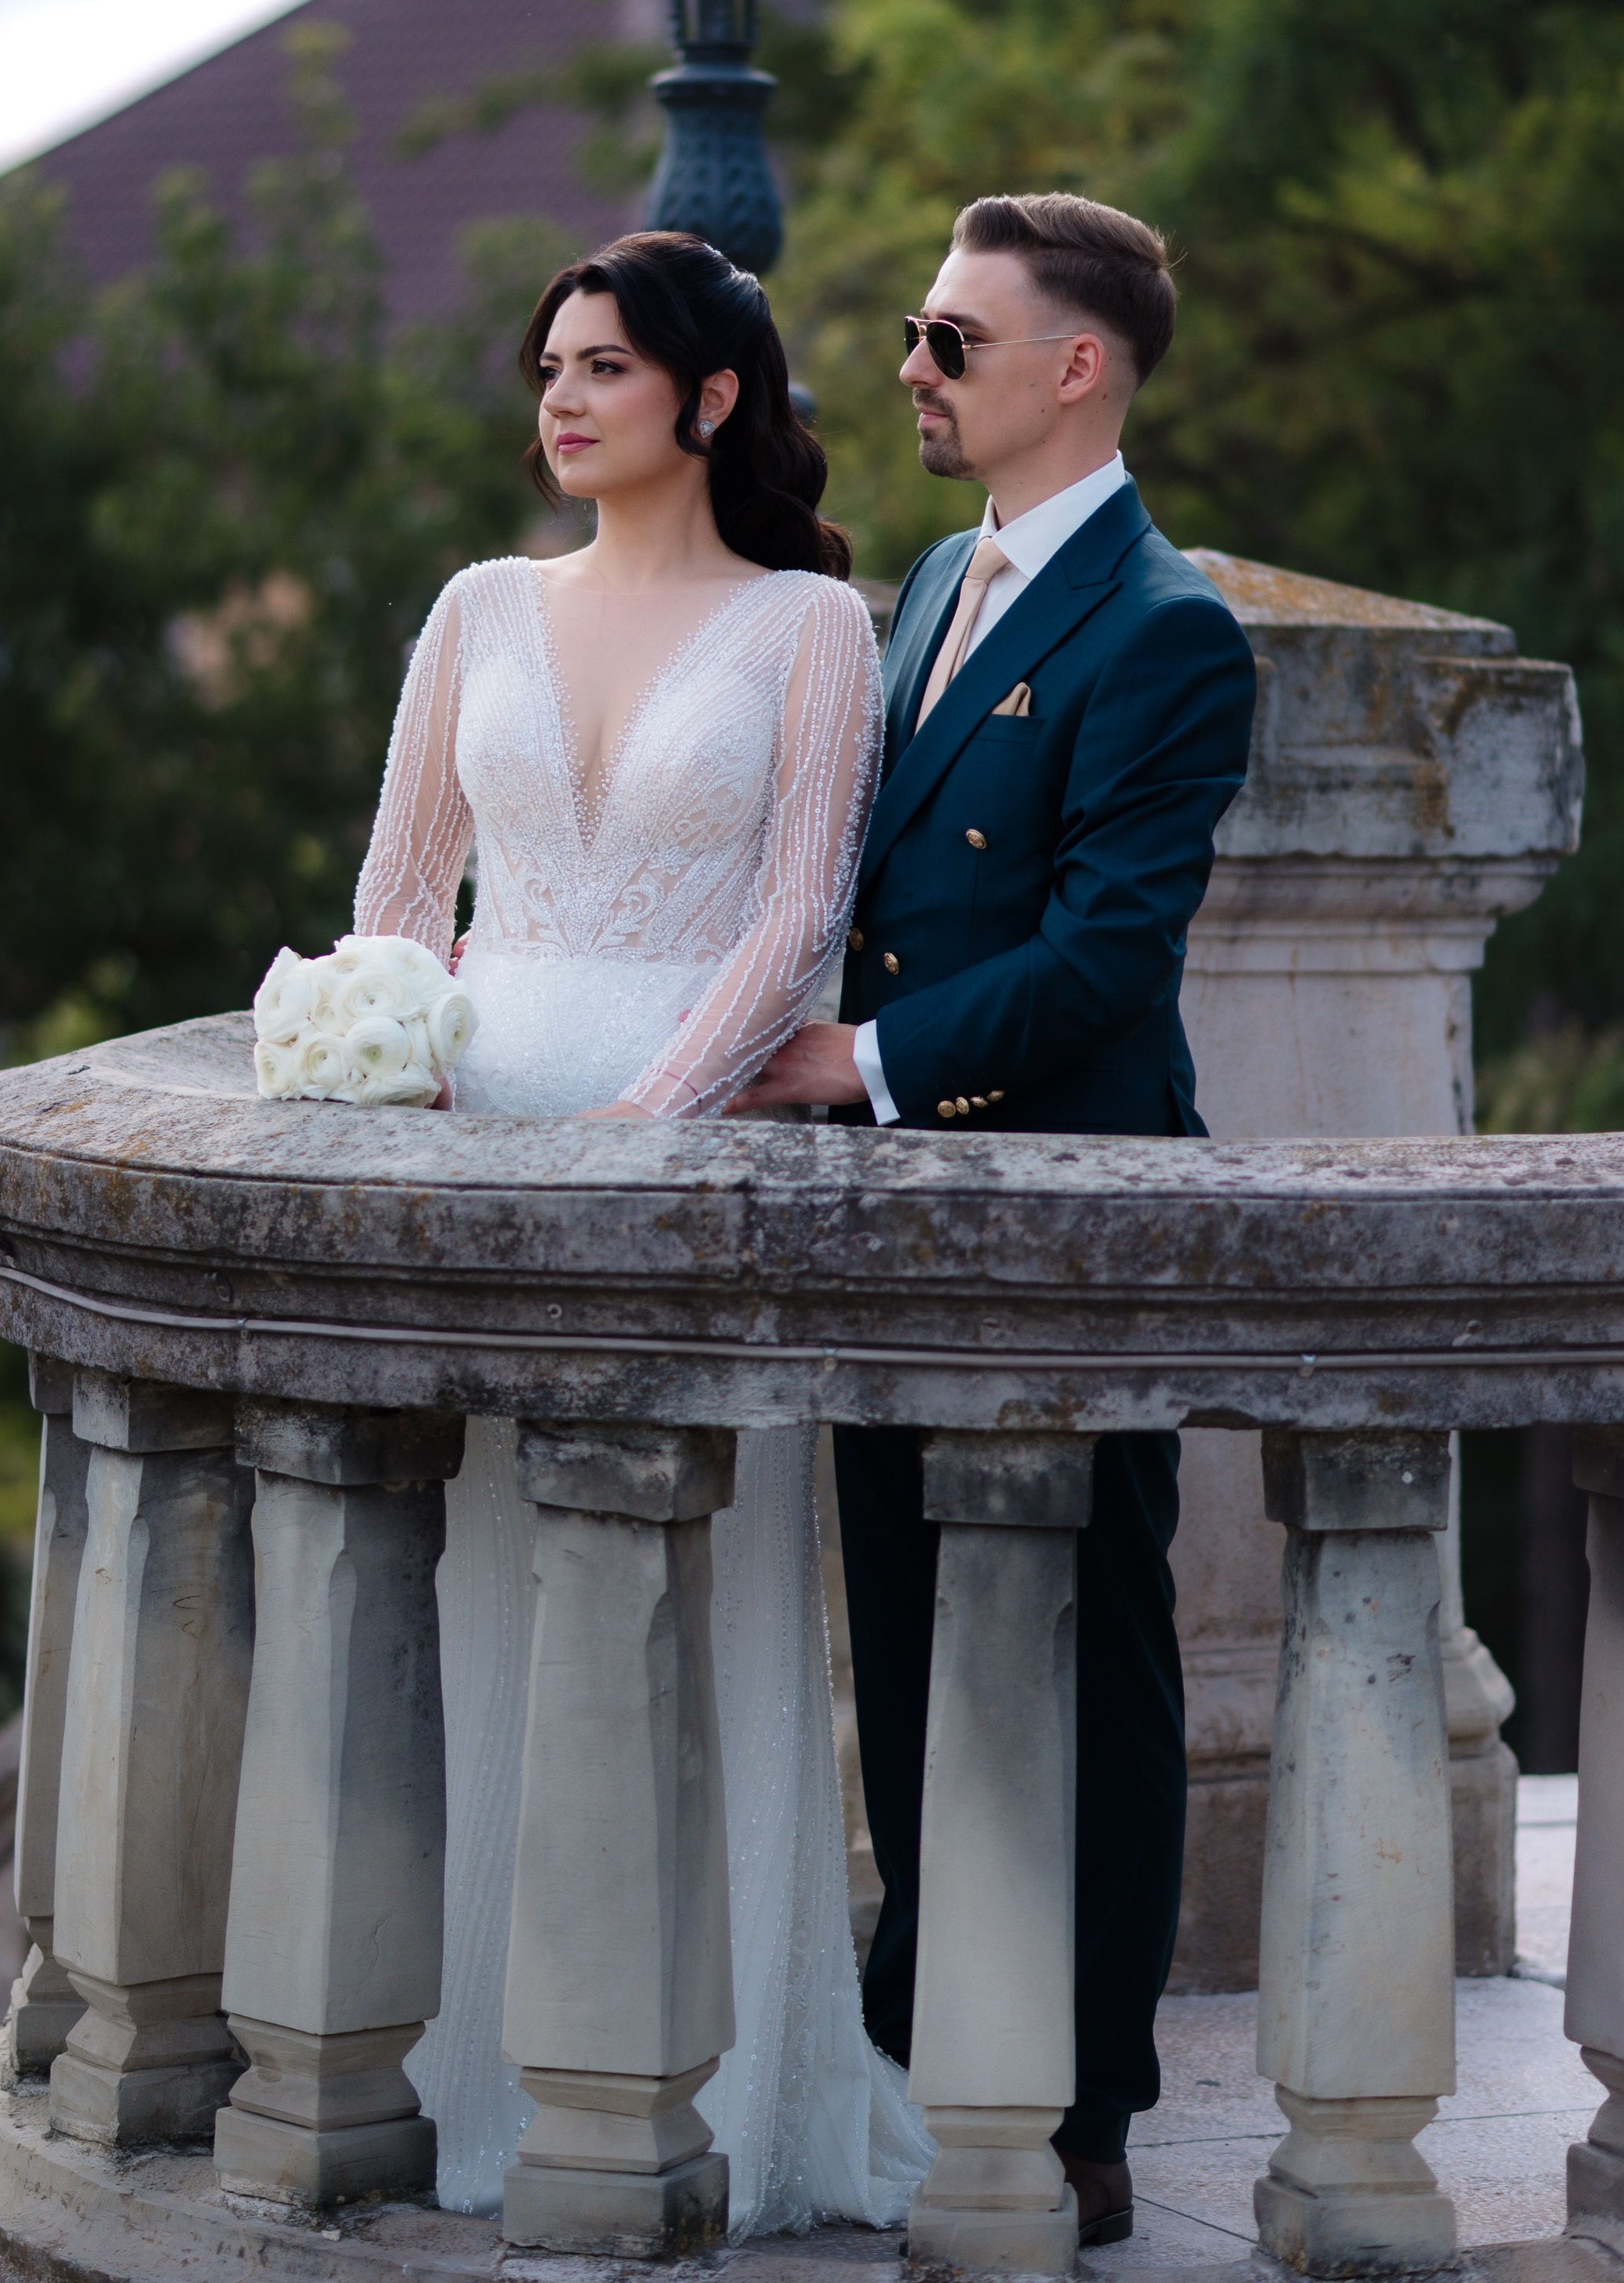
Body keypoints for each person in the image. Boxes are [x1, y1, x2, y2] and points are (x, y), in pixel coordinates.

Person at [351, 228, 928, 2233]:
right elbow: (404, 884)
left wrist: (641, 1125)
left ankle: (734, 2097)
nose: (560, 398)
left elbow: (789, 920)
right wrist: (386, 1057)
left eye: (601, 365)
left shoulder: (810, 627)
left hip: (688, 1178)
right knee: (482, 1610)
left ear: (708, 398)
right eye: (547, 367)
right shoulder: (474, 606)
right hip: (476, 1162)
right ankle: (474, 2081)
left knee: (703, 1620)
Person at [732, 191, 1258, 2247]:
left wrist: (863, 1062)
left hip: (1069, 1222)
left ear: (1079, 369)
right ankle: (922, 2042)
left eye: (953, 338)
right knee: (914, 1637)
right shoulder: (946, 570)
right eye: (914, 334)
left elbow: (1111, 958)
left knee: (1086, 1657)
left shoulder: (1168, 627)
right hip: (902, 1214)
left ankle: (1087, 2111)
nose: (911, 371)